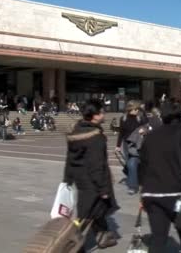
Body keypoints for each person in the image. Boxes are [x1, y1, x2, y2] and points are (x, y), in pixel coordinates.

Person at [139, 102, 181, 253]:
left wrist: (142, 190)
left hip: (151, 193)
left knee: (158, 238)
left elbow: (142, 165)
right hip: (175, 194)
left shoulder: (151, 135)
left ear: (162, 116)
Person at [63, 99, 119, 249]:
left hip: (80, 179)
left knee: (97, 210)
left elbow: (70, 158)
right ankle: (69, 244)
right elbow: (96, 166)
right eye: (102, 111)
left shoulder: (77, 130)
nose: (104, 113)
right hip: (92, 183)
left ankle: (104, 236)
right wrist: (103, 189)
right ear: (95, 115)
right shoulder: (95, 137)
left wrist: (67, 178)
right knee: (85, 215)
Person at [115, 100, 148, 195]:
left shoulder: (140, 118)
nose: (138, 110)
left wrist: (144, 130)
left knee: (132, 164)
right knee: (130, 165)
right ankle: (135, 181)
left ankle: (133, 186)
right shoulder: (123, 119)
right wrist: (118, 145)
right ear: (131, 109)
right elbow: (121, 132)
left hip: (137, 144)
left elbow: (148, 127)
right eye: (136, 109)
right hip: (126, 144)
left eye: (138, 109)